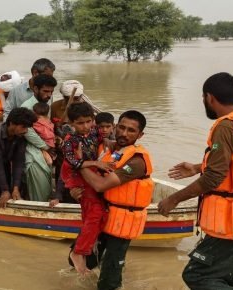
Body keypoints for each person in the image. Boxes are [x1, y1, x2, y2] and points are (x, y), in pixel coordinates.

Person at [158, 72, 233, 290]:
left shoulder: (226, 126)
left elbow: (214, 176)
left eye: (203, 98)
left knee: (197, 275)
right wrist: (196, 167)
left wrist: (174, 199)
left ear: (209, 98)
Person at [75, 110, 153, 290]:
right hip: (104, 214)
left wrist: (79, 163)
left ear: (140, 135)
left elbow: (100, 185)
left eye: (131, 131)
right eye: (122, 128)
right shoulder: (112, 146)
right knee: (81, 257)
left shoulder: (136, 162)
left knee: (109, 278)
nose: (125, 134)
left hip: (123, 222)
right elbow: (101, 139)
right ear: (115, 127)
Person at [58, 103, 112, 274]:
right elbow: (73, 162)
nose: (86, 126)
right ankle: (78, 253)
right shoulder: (70, 140)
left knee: (99, 215)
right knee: (95, 213)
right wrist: (96, 162)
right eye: (80, 123)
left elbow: (105, 138)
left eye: (89, 121)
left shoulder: (95, 131)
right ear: (72, 123)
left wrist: (109, 142)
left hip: (91, 176)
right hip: (77, 178)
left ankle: (87, 248)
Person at [20, 74, 57, 202]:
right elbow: (27, 131)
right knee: (39, 188)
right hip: (31, 151)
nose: (49, 95)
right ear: (35, 89)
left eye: (51, 92)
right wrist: (45, 147)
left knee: (46, 185)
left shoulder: (44, 104)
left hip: (45, 150)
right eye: (45, 91)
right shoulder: (27, 106)